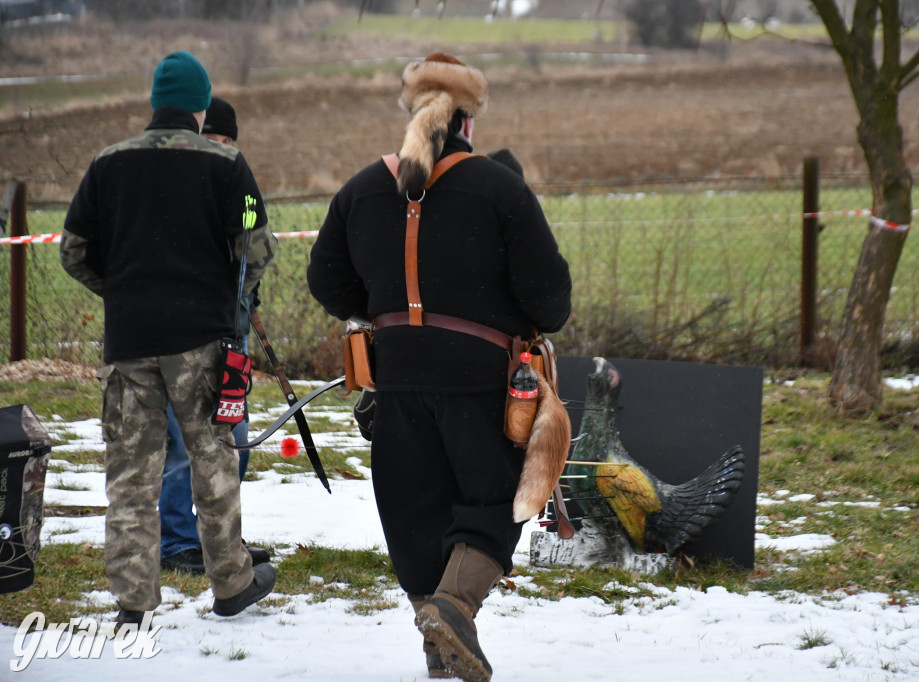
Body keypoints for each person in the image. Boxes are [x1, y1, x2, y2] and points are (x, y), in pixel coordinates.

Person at [307, 53, 572, 682]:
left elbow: (326, 283)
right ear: (469, 122)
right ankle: (453, 609)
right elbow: (550, 302)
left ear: (411, 111)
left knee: (414, 511)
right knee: (494, 499)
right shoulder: (500, 189)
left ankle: (438, 642)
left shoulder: (360, 191)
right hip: (483, 382)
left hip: (395, 379)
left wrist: (386, 307)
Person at [60, 51, 278, 628]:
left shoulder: (107, 165)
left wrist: (123, 292)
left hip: (129, 342)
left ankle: (133, 600)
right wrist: (229, 302)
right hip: (201, 340)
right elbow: (256, 249)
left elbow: (72, 252)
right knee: (214, 461)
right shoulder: (226, 164)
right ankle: (231, 583)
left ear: (155, 104)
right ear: (202, 108)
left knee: (131, 474)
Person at [159, 95, 270, 575]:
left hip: (231, 337)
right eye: (213, 139)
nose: (220, 148)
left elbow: (253, 244)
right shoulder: (172, 188)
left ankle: (222, 541)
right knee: (185, 447)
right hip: (181, 337)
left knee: (235, 438)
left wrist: (242, 297)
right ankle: (177, 544)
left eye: (228, 141)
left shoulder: (238, 184)